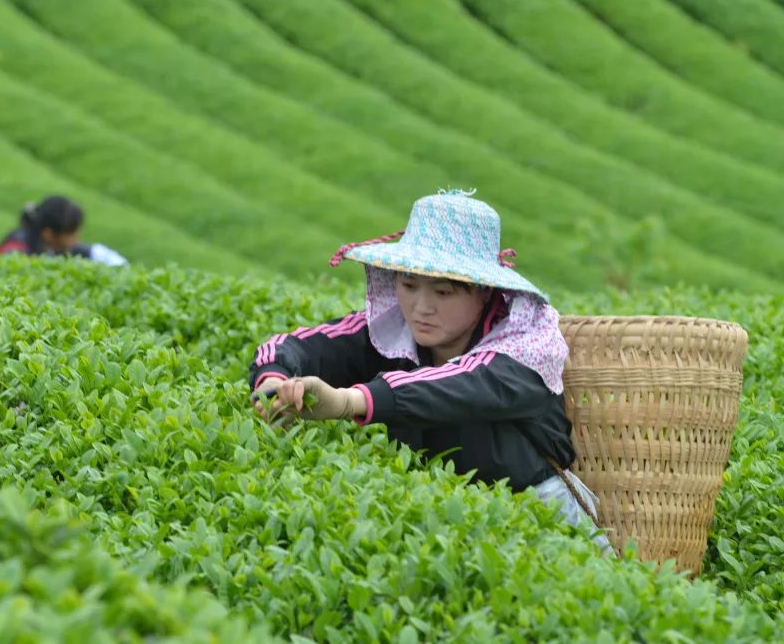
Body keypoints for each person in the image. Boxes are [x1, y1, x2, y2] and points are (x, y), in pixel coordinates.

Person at [249, 190, 611, 553]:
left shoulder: (524, 348)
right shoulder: (392, 332)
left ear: (485, 292)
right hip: (444, 529)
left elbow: (458, 382)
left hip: (543, 525)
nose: (421, 307)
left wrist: (348, 401)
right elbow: (297, 345)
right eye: (408, 286)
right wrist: (275, 381)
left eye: (443, 292)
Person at [0, 196, 127, 266]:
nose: (76, 239)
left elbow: (95, 253)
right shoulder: (14, 252)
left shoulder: (50, 247)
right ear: (49, 234)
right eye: (71, 234)